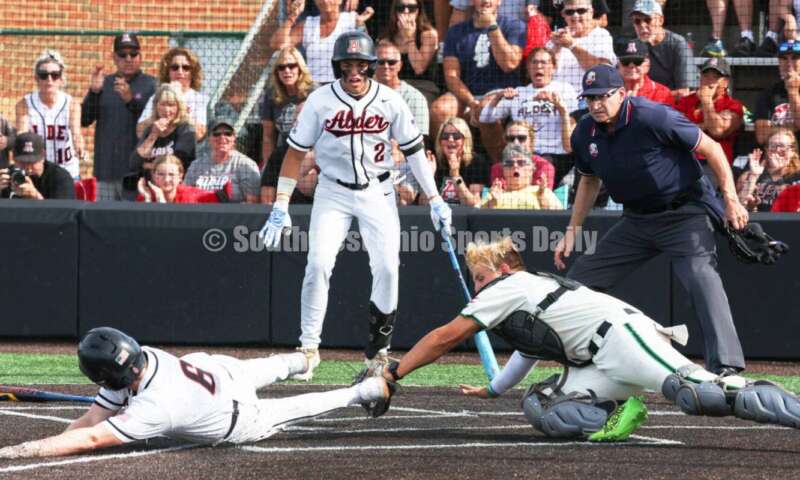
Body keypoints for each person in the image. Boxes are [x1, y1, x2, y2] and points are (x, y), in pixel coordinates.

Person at [371, 237, 800, 441]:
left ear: (502, 271)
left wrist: (394, 371)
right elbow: (527, 349)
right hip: (595, 364)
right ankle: (617, 414)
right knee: (545, 405)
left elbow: (446, 337)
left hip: (623, 338)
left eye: (479, 277)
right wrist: (494, 388)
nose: (476, 286)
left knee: (702, 394)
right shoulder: (521, 295)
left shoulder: (510, 286)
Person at [259, 32, 452, 380]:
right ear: (337, 67)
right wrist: (281, 204)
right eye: (347, 66)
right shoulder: (320, 101)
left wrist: (435, 198)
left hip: (379, 191)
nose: (354, 73)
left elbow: (414, 152)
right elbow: (294, 153)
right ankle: (308, 348)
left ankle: (378, 352)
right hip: (332, 191)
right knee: (317, 264)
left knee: (388, 268)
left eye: (361, 65)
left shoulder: (390, 100)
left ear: (371, 67)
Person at [553, 64, 750, 375]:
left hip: (684, 214)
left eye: (602, 97)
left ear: (621, 93)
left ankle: (727, 368)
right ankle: (579, 360)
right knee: (579, 283)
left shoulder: (653, 116)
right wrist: (572, 231)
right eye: (589, 99)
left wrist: (731, 199)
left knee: (702, 278)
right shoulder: (585, 132)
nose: (595, 105)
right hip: (636, 221)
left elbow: (711, 148)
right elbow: (589, 180)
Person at [0, 326, 390, 459]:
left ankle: (365, 391)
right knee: (266, 367)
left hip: (236, 416)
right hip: (215, 370)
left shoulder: (153, 409)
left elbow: (90, 436)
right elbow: (92, 417)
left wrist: (20, 450)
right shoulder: (145, 355)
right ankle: (302, 361)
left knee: (294, 408)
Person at [430, 0, 526, 138]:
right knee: (439, 110)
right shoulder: (455, 32)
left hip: (502, 93)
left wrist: (492, 26)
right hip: (467, 95)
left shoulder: (514, 26)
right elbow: (451, 76)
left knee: (486, 110)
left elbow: (509, 64)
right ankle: (446, 158)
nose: (486, 1)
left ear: (499, 2)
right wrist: (471, 102)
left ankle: (499, 159)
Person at [82, 33, 157, 201]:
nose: (128, 58)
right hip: (106, 171)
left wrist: (131, 101)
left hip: (136, 174)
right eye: (123, 55)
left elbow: (154, 123)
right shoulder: (105, 83)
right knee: (105, 222)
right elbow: (85, 120)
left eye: (133, 54)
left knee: (133, 223)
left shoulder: (151, 85)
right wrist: (94, 93)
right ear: (114, 57)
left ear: (140, 56)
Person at [479, 47, 578, 176]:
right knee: (498, 170)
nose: (539, 66)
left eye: (544, 62)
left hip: (557, 155)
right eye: (534, 62)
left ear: (553, 68)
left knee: (537, 168)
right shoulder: (519, 92)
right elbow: (485, 119)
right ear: (528, 68)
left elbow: (573, 126)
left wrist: (559, 106)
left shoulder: (565, 89)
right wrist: (498, 97)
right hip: (523, 155)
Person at [15, 49, 84, 179]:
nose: (49, 79)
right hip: (36, 171)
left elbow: (76, 134)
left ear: (61, 78)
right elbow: (22, 135)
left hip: (67, 171)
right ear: (37, 78)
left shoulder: (71, 104)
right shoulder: (24, 104)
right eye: (43, 75)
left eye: (55, 75)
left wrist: (79, 145)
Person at [261, 47, 317, 204]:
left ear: (300, 68)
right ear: (277, 72)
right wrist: (268, 165)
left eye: (291, 66)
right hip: (286, 149)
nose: (287, 71)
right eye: (281, 67)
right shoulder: (272, 95)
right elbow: (268, 136)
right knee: (271, 174)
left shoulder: (314, 92)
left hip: (312, 150)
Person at [270, 0, 374, 84]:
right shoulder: (308, 23)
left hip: (343, 85)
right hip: (313, 87)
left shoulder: (352, 20)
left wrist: (360, 25)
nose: (325, 1)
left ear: (340, 1)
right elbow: (279, 45)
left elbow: (363, 53)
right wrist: (292, 16)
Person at [674, 57, 744, 176]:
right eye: (706, 75)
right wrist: (703, 126)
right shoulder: (685, 101)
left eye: (715, 77)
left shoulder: (733, 105)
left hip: (713, 163)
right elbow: (674, 130)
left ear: (725, 82)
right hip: (682, 157)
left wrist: (706, 100)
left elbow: (717, 130)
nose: (709, 81)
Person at [136, 47, 208, 141]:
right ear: (168, 72)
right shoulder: (155, 98)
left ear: (192, 72)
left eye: (186, 68)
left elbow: (200, 134)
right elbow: (139, 131)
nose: (180, 71)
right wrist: (156, 116)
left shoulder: (201, 99)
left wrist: (179, 113)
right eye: (175, 67)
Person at [184, 118, 260, 203]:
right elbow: (186, 197)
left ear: (234, 138)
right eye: (217, 134)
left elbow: (252, 203)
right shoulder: (196, 166)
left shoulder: (246, 165)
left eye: (228, 133)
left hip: (233, 214)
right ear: (209, 138)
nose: (222, 137)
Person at [378, 0, 440, 105]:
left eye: (411, 8)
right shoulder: (387, 38)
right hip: (393, 86)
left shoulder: (428, 34)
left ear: (418, 11)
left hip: (423, 87)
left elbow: (419, 68)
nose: (406, 11)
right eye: (400, 7)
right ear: (395, 11)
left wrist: (410, 38)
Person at [548, 0, 616, 95]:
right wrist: (556, 48)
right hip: (558, 98)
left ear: (591, 12)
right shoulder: (557, 36)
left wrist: (572, 45)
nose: (575, 16)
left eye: (581, 11)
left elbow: (602, 71)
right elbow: (545, 73)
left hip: (588, 99)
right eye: (569, 12)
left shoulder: (601, 35)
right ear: (563, 14)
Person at [130, 84, 197, 177]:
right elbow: (134, 164)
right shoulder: (150, 129)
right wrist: (153, 135)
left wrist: (146, 165)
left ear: (179, 107)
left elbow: (175, 164)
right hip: (148, 184)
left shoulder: (186, 129)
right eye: (163, 104)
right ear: (156, 106)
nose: (166, 110)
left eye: (171, 105)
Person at [630, 0, 692, 99]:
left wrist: (649, 98)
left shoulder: (678, 44)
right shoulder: (634, 45)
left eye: (647, 20)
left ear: (660, 20)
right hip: (644, 103)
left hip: (671, 106)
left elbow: (683, 92)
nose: (642, 25)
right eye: (637, 21)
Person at [374, 41, 430, 138]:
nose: (386, 66)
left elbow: (419, 141)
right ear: (373, 64)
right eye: (381, 62)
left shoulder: (415, 98)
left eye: (391, 62)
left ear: (400, 65)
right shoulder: (363, 92)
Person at [481, 144, 563, 209]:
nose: (515, 166)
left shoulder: (542, 191)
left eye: (521, 163)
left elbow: (557, 219)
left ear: (532, 169)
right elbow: (479, 220)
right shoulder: (495, 193)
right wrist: (492, 203)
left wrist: (542, 197)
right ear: (503, 170)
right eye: (509, 163)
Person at [736, 128, 800, 211]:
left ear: (793, 151)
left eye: (782, 146)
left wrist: (779, 173)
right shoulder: (751, 173)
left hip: (789, 221)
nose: (777, 150)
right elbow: (738, 206)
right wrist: (754, 175)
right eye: (773, 146)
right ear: (767, 149)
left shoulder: (798, 176)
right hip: (758, 221)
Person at [0, 132, 75, 200]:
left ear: (43, 157)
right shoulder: (9, 176)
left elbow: (64, 213)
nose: (27, 167)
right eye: (22, 162)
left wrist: (35, 196)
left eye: (32, 162)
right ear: (13, 158)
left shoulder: (60, 178)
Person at [753, 40, 800, 147]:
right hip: (776, 157)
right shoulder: (768, 94)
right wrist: (791, 127)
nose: (789, 63)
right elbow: (762, 136)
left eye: (795, 58)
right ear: (778, 62)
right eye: (783, 58)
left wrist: (793, 92)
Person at [431, 117, 483, 206]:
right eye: (445, 136)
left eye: (456, 136)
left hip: (464, 217)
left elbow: (474, 204)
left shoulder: (476, 162)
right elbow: (423, 203)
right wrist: (429, 176)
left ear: (465, 140)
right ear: (440, 141)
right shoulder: (434, 161)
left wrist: (456, 176)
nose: (450, 139)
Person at [488, 121, 557, 189]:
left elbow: (541, 193)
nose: (516, 142)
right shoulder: (497, 168)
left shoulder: (545, 166)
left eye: (521, 138)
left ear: (531, 141)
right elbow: (499, 193)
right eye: (511, 139)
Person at [137, 155, 227, 204]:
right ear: (153, 175)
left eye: (171, 174)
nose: (166, 179)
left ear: (180, 176)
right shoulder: (145, 196)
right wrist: (148, 199)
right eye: (161, 174)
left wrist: (161, 201)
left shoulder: (191, 198)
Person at [614, 37, 673, 106]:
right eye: (625, 62)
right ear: (618, 65)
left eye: (637, 61)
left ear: (648, 64)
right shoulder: (609, 91)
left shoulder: (662, 92)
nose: (631, 66)